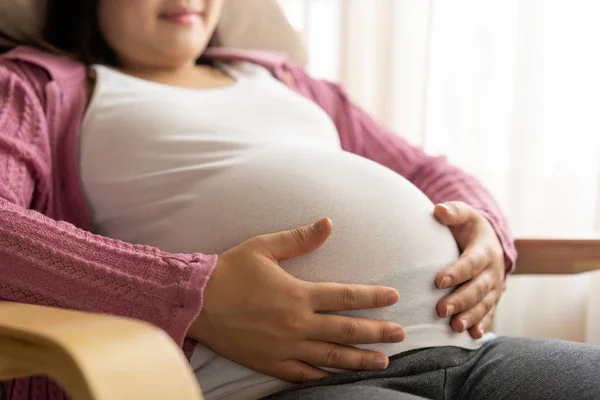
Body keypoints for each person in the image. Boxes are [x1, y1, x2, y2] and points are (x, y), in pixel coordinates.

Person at [0, 0, 597, 399]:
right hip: (283, 388)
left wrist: (487, 231)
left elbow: (427, 169)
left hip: (471, 352)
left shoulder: (287, 81)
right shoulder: (38, 87)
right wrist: (190, 295)